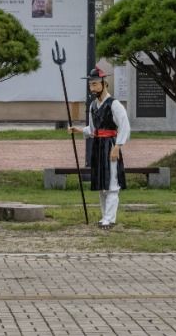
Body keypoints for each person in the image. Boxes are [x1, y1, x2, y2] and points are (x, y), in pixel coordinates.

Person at [70, 67, 131, 229]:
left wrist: (118, 146)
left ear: (105, 85)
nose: (92, 88)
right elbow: (92, 129)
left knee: (111, 183)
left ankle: (110, 218)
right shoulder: (93, 106)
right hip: (98, 146)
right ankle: (105, 216)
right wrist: (79, 130)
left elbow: (125, 126)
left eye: (95, 84)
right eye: (91, 85)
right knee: (101, 184)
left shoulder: (114, 104)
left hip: (110, 144)